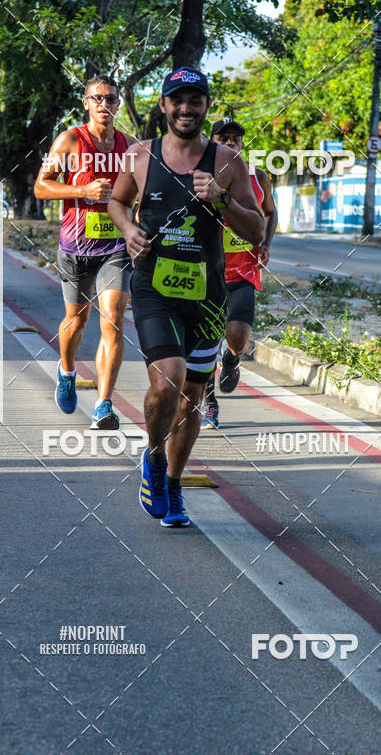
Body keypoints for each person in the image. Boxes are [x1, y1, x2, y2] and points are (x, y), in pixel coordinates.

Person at [109, 67, 264, 527]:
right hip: (154, 288)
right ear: (163, 106)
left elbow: (255, 229)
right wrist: (128, 229)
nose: (185, 108)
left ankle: (174, 484)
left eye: (195, 100)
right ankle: (154, 459)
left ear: (205, 107)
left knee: (194, 396)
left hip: (208, 295)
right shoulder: (139, 156)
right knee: (168, 382)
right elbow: (118, 202)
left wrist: (222, 199)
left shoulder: (228, 163)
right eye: (177, 99)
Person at [34, 75, 135, 428]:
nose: (104, 105)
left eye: (110, 98)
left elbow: (142, 192)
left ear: (119, 103)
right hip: (75, 246)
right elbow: (41, 187)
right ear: (86, 103)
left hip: (116, 248)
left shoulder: (131, 146)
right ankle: (66, 370)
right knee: (77, 319)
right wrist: (82, 191)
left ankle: (104, 405)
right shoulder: (70, 140)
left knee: (114, 317)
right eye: (97, 99)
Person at [202, 117, 278, 429]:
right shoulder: (200, 180)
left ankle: (231, 360)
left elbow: (270, 213)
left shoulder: (258, 177)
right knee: (203, 345)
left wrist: (266, 244)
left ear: (243, 145)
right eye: (224, 138)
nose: (231, 143)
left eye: (236, 139)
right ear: (211, 143)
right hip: (206, 274)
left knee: (238, 337)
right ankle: (208, 400)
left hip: (243, 271)